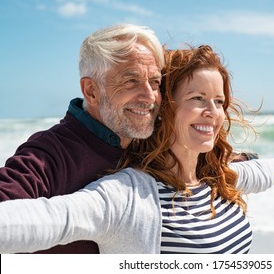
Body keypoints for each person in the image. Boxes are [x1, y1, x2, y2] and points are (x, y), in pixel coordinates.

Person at [0, 45, 274, 254]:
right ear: (165, 108)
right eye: (198, 98)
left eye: (219, 101)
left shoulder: (218, 178)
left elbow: (259, 172)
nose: (212, 111)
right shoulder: (126, 196)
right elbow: (50, 218)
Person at [0, 23, 165, 253]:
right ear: (91, 91)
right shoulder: (48, 154)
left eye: (155, 82)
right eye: (131, 80)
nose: (150, 96)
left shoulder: (153, 146)